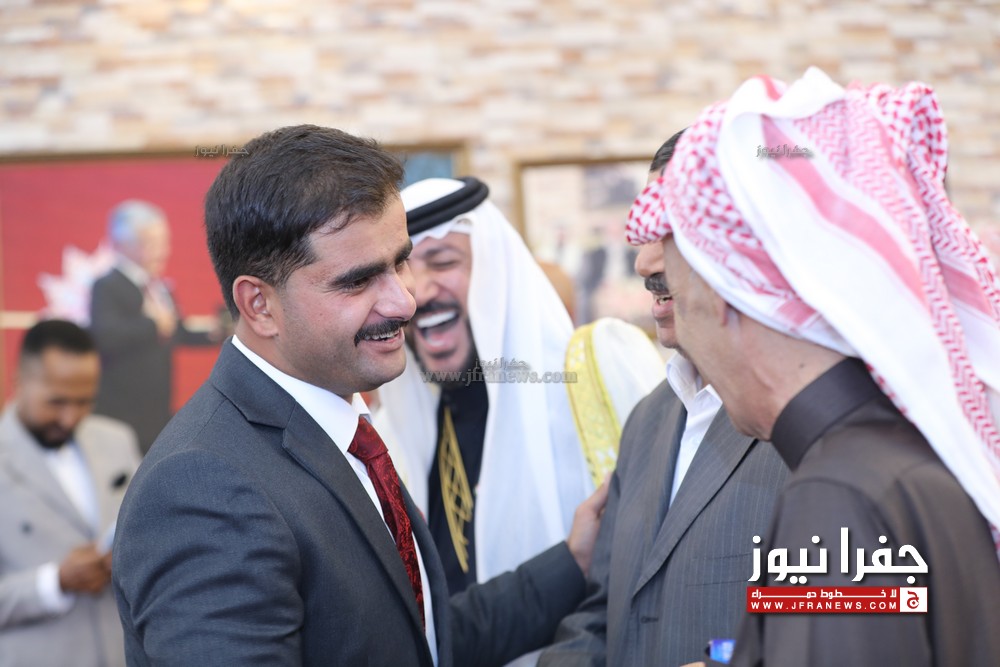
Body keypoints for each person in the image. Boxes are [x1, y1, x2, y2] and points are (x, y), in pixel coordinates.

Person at [112, 124, 609, 667]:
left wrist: (575, 561)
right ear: (259, 305)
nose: (404, 302)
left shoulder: (340, 424)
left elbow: (417, 640)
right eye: (358, 281)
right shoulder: (203, 489)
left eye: (400, 262)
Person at [626, 69, 1000, 666]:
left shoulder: (836, 496)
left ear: (727, 295)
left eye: (675, 287)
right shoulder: (899, 451)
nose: (674, 318)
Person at [539, 132, 788, 667]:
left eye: (671, 232)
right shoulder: (649, 419)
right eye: (646, 230)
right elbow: (605, 613)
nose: (645, 262)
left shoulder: (803, 423)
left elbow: (864, 620)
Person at [375, 177, 663, 606]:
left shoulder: (599, 366)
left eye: (443, 262)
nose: (422, 292)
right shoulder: (400, 432)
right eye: (406, 271)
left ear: (497, 275)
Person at [0, 319, 141, 667]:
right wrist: (55, 583)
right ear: (19, 380)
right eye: (57, 401)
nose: (70, 418)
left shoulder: (118, 440)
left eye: (84, 402)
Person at [89, 199, 222, 454]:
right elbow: (105, 336)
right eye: (150, 243)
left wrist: (212, 335)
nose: (162, 251)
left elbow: (176, 332)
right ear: (122, 245)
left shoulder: (159, 287)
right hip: (122, 409)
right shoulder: (108, 285)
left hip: (157, 408)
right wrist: (152, 325)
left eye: (164, 242)